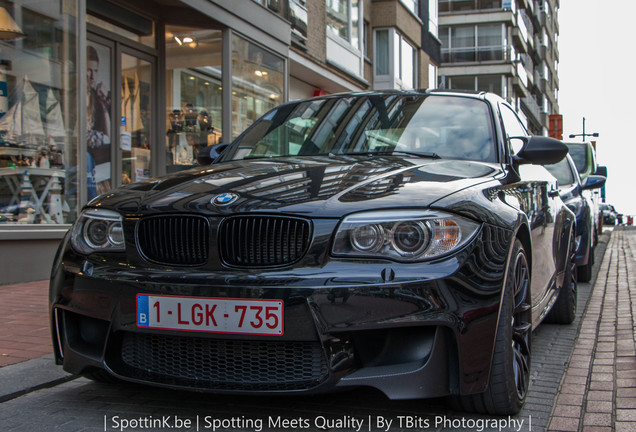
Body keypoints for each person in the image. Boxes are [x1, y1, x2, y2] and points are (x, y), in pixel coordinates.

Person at [86, 44, 112, 198]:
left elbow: (109, 139)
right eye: (89, 70)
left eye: (95, 71)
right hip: (89, 164)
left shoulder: (97, 97)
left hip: (101, 166)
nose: (92, 76)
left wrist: (103, 105)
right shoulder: (80, 95)